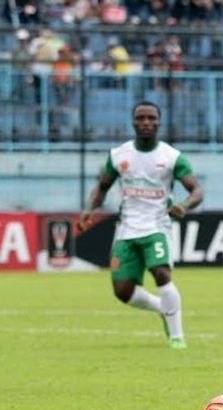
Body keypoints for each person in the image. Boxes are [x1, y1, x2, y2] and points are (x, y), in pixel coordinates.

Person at [77, 101, 203, 350]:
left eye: (151, 118)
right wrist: (89, 211)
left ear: (159, 122)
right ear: (133, 122)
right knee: (122, 291)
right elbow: (102, 187)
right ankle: (162, 308)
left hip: (157, 226)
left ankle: (177, 337)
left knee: (161, 273)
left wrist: (184, 205)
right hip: (126, 230)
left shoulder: (171, 157)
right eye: (141, 118)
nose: (146, 122)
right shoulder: (119, 155)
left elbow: (197, 190)